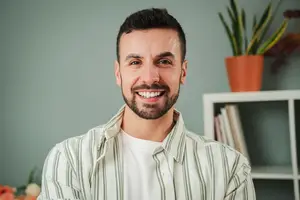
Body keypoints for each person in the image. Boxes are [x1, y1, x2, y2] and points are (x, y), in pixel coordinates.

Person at [37, 8, 256, 200]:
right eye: (135, 62)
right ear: (118, 73)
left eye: (164, 61)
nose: (150, 77)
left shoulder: (229, 168)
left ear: (183, 71)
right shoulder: (69, 160)